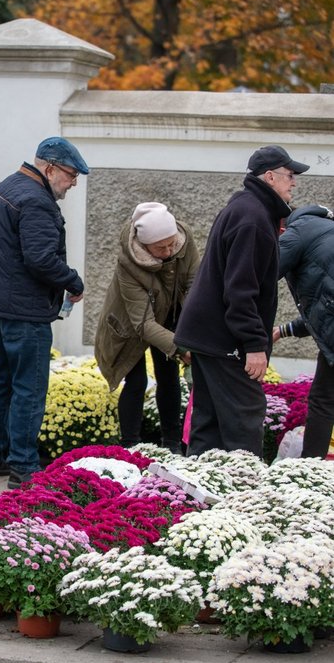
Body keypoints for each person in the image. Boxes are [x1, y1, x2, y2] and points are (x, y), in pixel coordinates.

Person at [174, 145, 308, 456]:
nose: (294, 182)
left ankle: (204, 492)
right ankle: (242, 497)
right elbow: (240, 291)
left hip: (209, 335)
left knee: (209, 423)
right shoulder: (253, 218)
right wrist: (254, 346)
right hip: (224, 338)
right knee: (244, 415)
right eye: (290, 175)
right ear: (270, 176)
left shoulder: (248, 208)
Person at [0, 136, 88, 488]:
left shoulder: (10, 184)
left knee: (2, 380)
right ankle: (23, 465)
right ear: (49, 168)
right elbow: (40, 259)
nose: (72, 183)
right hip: (25, 310)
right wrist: (73, 281)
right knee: (29, 387)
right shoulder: (36, 200)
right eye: (70, 175)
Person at [94, 202, 200, 453]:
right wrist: (180, 348)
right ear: (144, 245)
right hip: (130, 324)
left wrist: (195, 330)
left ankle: (172, 445)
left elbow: (195, 283)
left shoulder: (183, 240)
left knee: (169, 377)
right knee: (136, 379)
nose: (169, 250)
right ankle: (130, 447)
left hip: (170, 315)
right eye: (160, 247)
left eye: (171, 243)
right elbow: (142, 323)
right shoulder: (128, 264)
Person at [274, 203, 334, 459]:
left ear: (280, 229)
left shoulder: (296, 235)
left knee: (322, 402)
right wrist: (283, 330)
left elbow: (260, 275)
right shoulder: (323, 228)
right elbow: (324, 309)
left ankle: (311, 468)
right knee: (323, 398)